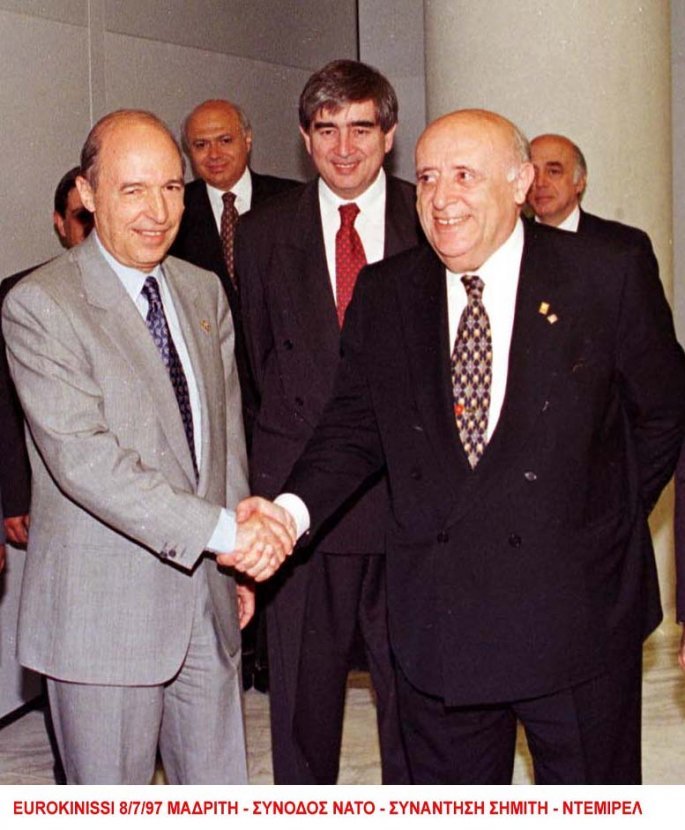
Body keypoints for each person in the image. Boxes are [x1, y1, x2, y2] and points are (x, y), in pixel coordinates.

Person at [243, 108, 685, 783]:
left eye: (463, 176)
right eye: (426, 178)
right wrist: (288, 513)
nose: (440, 199)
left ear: (519, 183)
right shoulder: (387, 293)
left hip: (576, 619)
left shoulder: (604, 273)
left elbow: (662, 414)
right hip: (440, 628)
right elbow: (353, 429)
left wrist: (602, 517)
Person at [1, 109, 293, 784]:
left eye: (169, 188)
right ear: (87, 193)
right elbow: (86, 461)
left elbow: (223, 438)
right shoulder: (42, 304)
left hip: (205, 602)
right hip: (104, 616)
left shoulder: (201, 291)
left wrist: (234, 566)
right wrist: (228, 535)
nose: (158, 212)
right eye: (133, 190)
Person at [235, 59, 422, 784]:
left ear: (390, 135)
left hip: (410, 503)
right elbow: (259, 368)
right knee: (301, 714)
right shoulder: (262, 233)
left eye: (361, 129)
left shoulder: (429, 217)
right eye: (326, 129)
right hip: (300, 510)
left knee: (417, 705)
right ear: (304, 138)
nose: (344, 148)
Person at [170, 100, 299, 691]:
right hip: (214, 402)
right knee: (226, 518)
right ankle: (235, 648)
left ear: (248, 139)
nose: (214, 154)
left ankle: (274, 654)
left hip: (283, 397)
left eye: (224, 140)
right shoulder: (174, 213)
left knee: (277, 521)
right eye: (200, 145)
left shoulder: (291, 201)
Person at [0, 167, 93, 548]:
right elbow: (6, 405)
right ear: (60, 224)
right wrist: (15, 494)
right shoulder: (22, 294)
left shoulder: (156, 291)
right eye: (82, 217)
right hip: (52, 494)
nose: (93, 227)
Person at [528, 133, 657, 256]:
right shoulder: (517, 240)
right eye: (533, 173)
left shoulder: (626, 246)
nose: (540, 183)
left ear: (580, 182)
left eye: (553, 172)